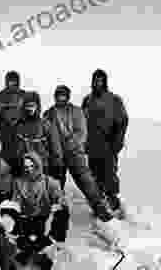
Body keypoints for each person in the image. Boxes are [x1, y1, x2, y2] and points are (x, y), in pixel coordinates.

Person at [43, 85, 115, 222]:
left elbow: (81, 134)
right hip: (57, 156)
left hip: (75, 154)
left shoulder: (76, 111)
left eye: (64, 96)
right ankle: (57, 214)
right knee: (56, 186)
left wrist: (69, 147)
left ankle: (101, 210)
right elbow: (46, 135)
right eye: (58, 96)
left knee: (87, 182)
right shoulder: (48, 114)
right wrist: (54, 152)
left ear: (68, 97)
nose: (61, 98)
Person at [9, 152, 70, 270]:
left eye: (32, 166)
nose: (29, 170)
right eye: (26, 167)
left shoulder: (50, 182)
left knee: (60, 216)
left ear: (38, 166)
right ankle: (27, 250)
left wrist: (56, 206)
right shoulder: (18, 183)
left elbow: (61, 201)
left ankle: (44, 253)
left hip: (45, 218)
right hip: (27, 218)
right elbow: (15, 202)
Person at [82, 69, 129, 217]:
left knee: (109, 177)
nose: (98, 83)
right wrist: (83, 142)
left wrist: (117, 142)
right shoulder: (87, 100)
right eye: (95, 80)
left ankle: (116, 209)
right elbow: (81, 122)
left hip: (108, 146)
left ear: (105, 82)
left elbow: (123, 121)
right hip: (92, 147)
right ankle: (99, 209)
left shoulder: (114, 100)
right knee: (94, 178)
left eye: (100, 80)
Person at [12, 91, 64, 179]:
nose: (30, 109)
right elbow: (14, 148)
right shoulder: (18, 126)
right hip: (23, 167)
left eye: (32, 106)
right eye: (27, 106)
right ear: (23, 107)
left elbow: (55, 148)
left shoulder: (46, 125)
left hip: (42, 168)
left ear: (37, 107)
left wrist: (57, 166)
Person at [0, 71, 26, 175]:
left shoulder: (25, 96)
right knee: (3, 170)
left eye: (14, 81)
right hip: (3, 137)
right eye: (10, 81)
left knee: (20, 169)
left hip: (19, 138)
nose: (11, 83)